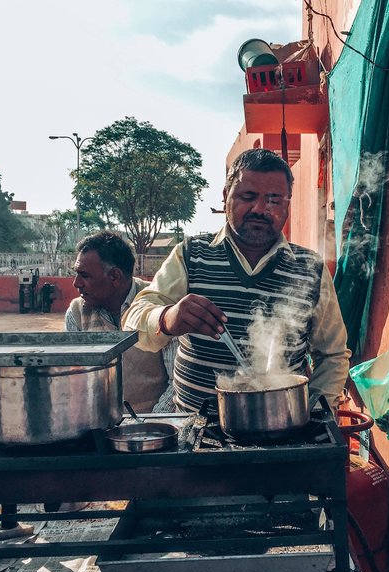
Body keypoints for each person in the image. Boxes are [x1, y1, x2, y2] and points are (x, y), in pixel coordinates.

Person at [123, 148, 350, 412]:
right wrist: (167, 318)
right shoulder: (191, 254)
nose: (260, 209)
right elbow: (134, 321)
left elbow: (332, 354)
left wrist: (315, 412)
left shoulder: (310, 268)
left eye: (274, 200)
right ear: (225, 196)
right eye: (248, 196)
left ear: (287, 204)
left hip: (282, 431)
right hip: (195, 432)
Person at [65, 231, 171, 412]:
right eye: (76, 274)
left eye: (84, 275)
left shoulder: (159, 307)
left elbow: (178, 381)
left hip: (153, 426)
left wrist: (150, 424)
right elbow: (73, 379)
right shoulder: (77, 312)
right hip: (98, 426)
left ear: (114, 277)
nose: (76, 283)